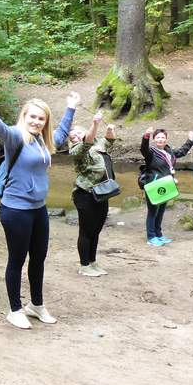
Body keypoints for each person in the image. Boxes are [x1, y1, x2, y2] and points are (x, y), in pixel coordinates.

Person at [0, 92, 79, 330]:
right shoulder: (15, 137)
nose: (36, 121)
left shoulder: (43, 140)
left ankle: (36, 305)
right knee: (17, 259)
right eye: (32, 117)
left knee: (39, 258)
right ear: (24, 116)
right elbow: (0, 130)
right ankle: (15, 310)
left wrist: (70, 108)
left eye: (41, 119)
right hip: (16, 210)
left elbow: (61, 135)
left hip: (38, 210)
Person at [68, 112, 116, 277]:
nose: (75, 137)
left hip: (102, 192)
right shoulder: (76, 150)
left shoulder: (99, 144)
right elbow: (86, 142)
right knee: (86, 231)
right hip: (85, 195)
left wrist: (109, 129)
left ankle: (93, 262)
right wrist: (95, 124)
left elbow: (109, 140)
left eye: (77, 133)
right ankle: (84, 265)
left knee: (96, 230)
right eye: (72, 136)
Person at [139, 126, 193, 246]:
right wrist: (146, 136)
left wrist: (190, 140)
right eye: (158, 137)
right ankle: (151, 237)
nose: (160, 139)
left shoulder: (169, 151)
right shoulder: (151, 152)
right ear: (154, 140)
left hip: (167, 185)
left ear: (166, 140)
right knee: (153, 211)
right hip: (153, 184)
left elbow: (182, 152)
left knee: (161, 211)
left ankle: (159, 235)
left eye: (163, 137)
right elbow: (143, 148)